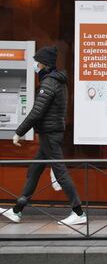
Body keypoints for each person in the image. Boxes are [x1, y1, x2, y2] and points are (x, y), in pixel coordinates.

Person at [0, 46, 86, 225]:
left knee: (60, 173)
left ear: (43, 64)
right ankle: (17, 210)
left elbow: (36, 112)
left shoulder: (49, 83)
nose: (35, 65)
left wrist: (18, 132)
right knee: (34, 171)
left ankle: (78, 213)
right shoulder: (58, 81)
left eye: (36, 62)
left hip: (49, 134)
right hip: (51, 132)